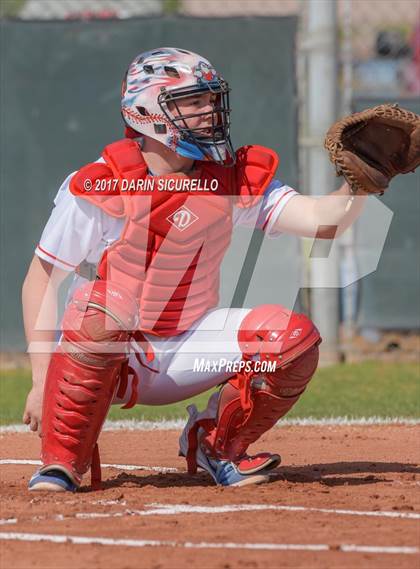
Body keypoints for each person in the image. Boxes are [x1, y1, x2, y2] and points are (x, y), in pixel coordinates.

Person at [23, 47, 368, 492]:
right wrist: (39, 379)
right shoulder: (102, 181)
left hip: (189, 345)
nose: (209, 112)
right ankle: (62, 461)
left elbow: (325, 221)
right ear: (149, 111)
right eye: (192, 101)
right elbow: (41, 279)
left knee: (292, 339)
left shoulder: (229, 178)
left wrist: (365, 180)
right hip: (115, 355)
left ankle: (217, 447)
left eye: (210, 100)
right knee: (101, 308)